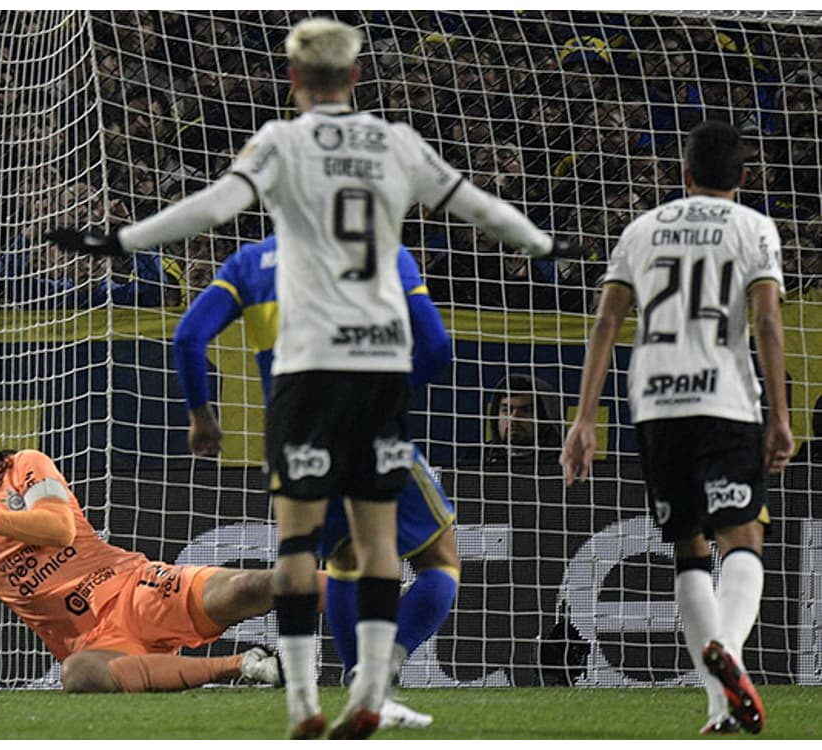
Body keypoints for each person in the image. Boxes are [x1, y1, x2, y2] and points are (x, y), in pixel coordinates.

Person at [49, 17, 569, 738]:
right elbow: (475, 206)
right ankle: (369, 693)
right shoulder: (395, 143)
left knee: (301, 548)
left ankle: (302, 705)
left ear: (292, 80)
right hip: (377, 366)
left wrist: (122, 239)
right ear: (358, 77)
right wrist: (545, 244)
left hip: (303, 372)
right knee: (380, 544)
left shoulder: (280, 143)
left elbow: (215, 205)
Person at [171, 234, 460, 730]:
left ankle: (333, 687)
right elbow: (436, 348)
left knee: (339, 559)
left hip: (296, 436)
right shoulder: (382, 251)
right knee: (438, 558)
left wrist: (202, 417)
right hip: (369, 427)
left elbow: (188, 337)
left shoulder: (251, 261)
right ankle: (379, 672)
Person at [562, 120, 793, 736]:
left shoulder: (642, 230)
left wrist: (584, 418)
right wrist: (780, 415)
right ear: (742, 180)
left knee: (688, 549)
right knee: (742, 539)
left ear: (683, 177)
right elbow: (767, 322)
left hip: (655, 406)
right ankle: (730, 652)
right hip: (725, 401)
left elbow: (606, 322)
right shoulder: (753, 227)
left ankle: (719, 709)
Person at [0, 409, 284, 694]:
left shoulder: (24, 466)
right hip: (90, 640)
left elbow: (58, 528)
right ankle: (244, 665)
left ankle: (348, 594)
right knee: (79, 675)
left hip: (133, 587)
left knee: (252, 586)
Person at [475, 373, 563, 466]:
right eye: (506, 410)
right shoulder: (476, 457)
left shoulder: (567, 460)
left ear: (546, 417)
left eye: (526, 410)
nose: (514, 418)